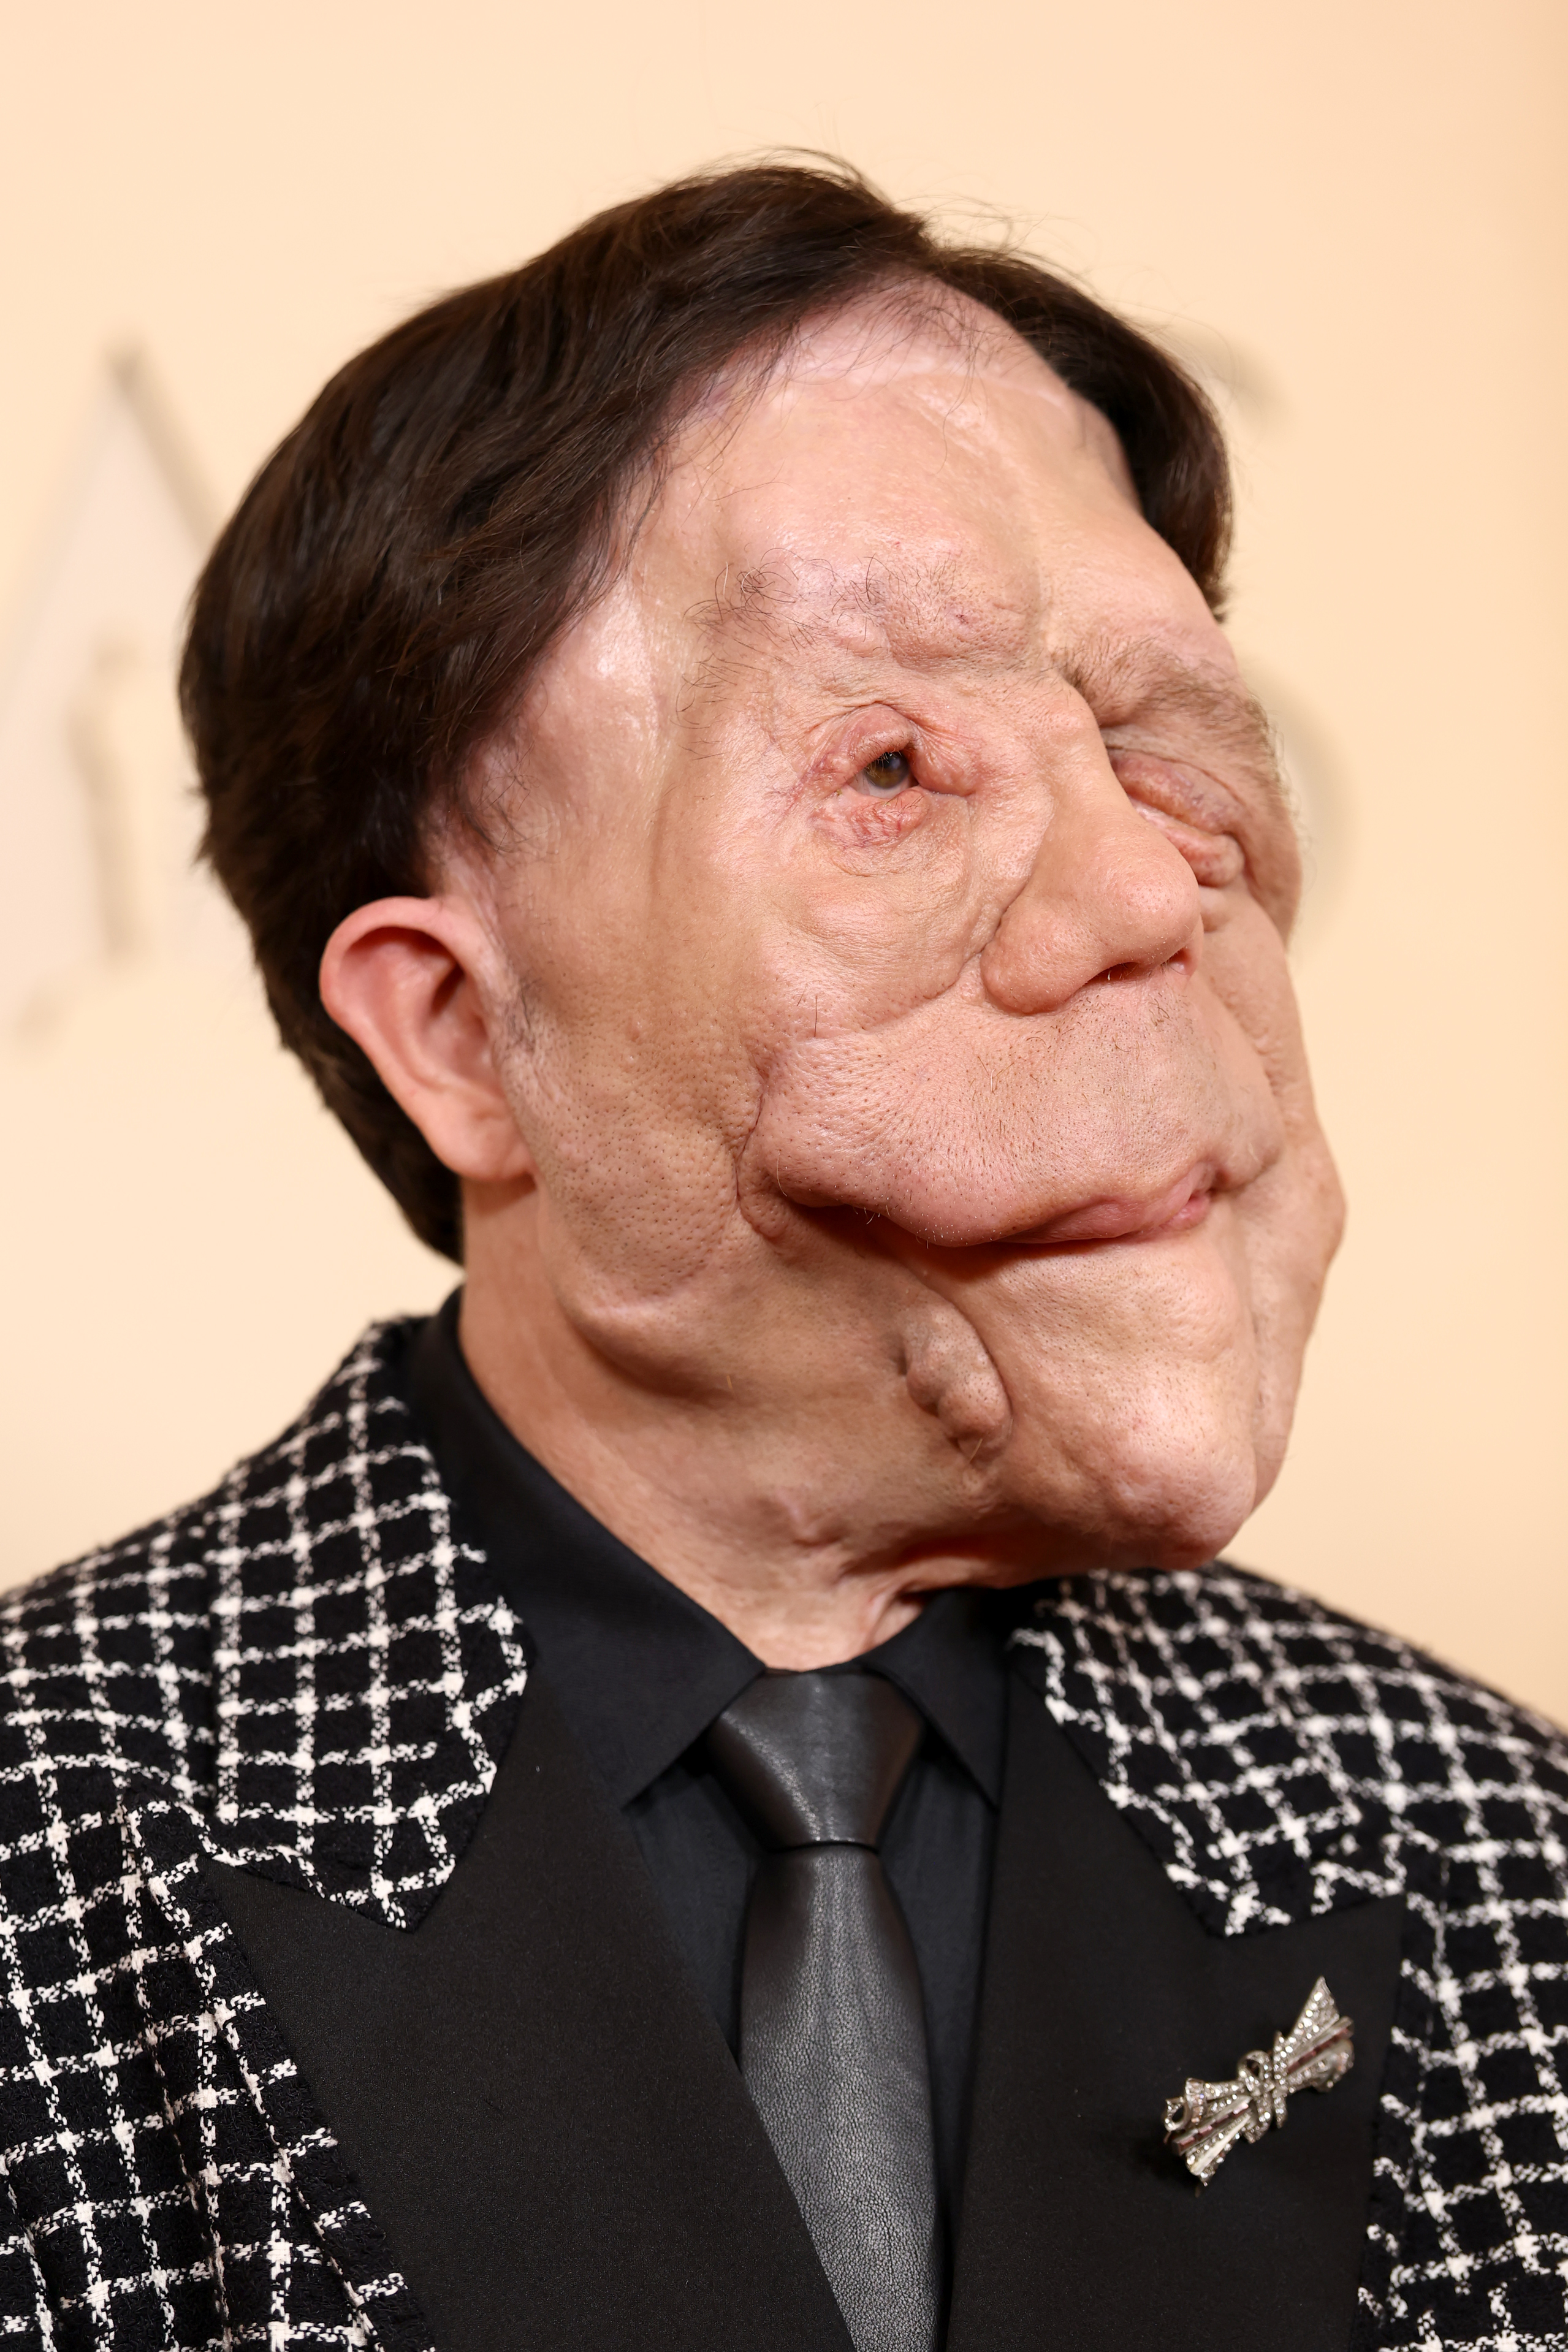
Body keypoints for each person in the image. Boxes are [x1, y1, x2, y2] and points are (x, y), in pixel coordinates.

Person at [1, 160, 1562, 2352]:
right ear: (462, 1035)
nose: (1151, 896)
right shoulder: (47, 1861)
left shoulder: (1499, 1853)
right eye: (897, 767)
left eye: (1162, 753)